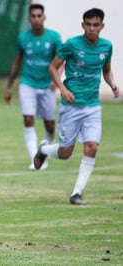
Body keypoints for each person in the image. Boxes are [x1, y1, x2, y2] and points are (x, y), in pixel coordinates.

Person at [34, 8, 120, 205]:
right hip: (71, 106)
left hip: (92, 106)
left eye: (95, 25)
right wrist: (62, 89)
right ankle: (44, 149)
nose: (91, 29)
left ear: (102, 26)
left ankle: (76, 193)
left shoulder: (106, 46)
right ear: (83, 25)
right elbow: (52, 67)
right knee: (65, 153)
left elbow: (106, 70)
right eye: (88, 25)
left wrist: (112, 83)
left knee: (91, 147)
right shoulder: (72, 44)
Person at [5, 4, 62, 170]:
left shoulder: (54, 37)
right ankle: (34, 159)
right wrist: (9, 87)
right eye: (33, 16)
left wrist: (56, 79)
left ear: (44, 17)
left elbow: (61, 60)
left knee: (50, 125)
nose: (36, 19)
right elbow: (16, 62)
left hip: (48, 85)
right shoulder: (23, 38)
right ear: (29, 18)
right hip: (28, 83)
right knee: (28, 119)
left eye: (39, 16)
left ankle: (43, 153)